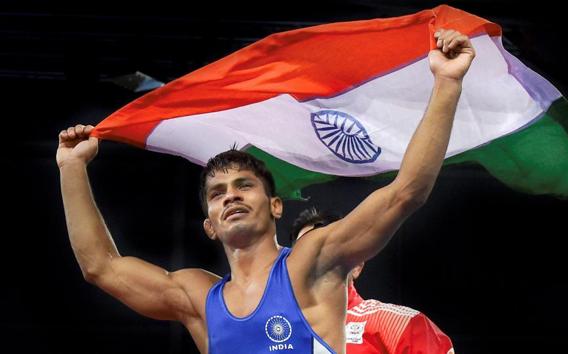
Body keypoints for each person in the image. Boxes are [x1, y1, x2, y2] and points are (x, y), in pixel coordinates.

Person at [56, 29, 475, 354]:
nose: (231, 196)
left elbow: (405, 193)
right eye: (217, 193)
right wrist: (72, 168)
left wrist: (447, 84)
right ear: (209, 226)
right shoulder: (197, 298)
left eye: (244, 186)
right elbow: (100, 266)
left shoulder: (313, 262)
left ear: (275, 206)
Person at [290, 208, 455, 354]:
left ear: (356, 266)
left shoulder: (401, 324)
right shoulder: (275, 331)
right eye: (303, 252)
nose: (311, 260)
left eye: (324, 251)